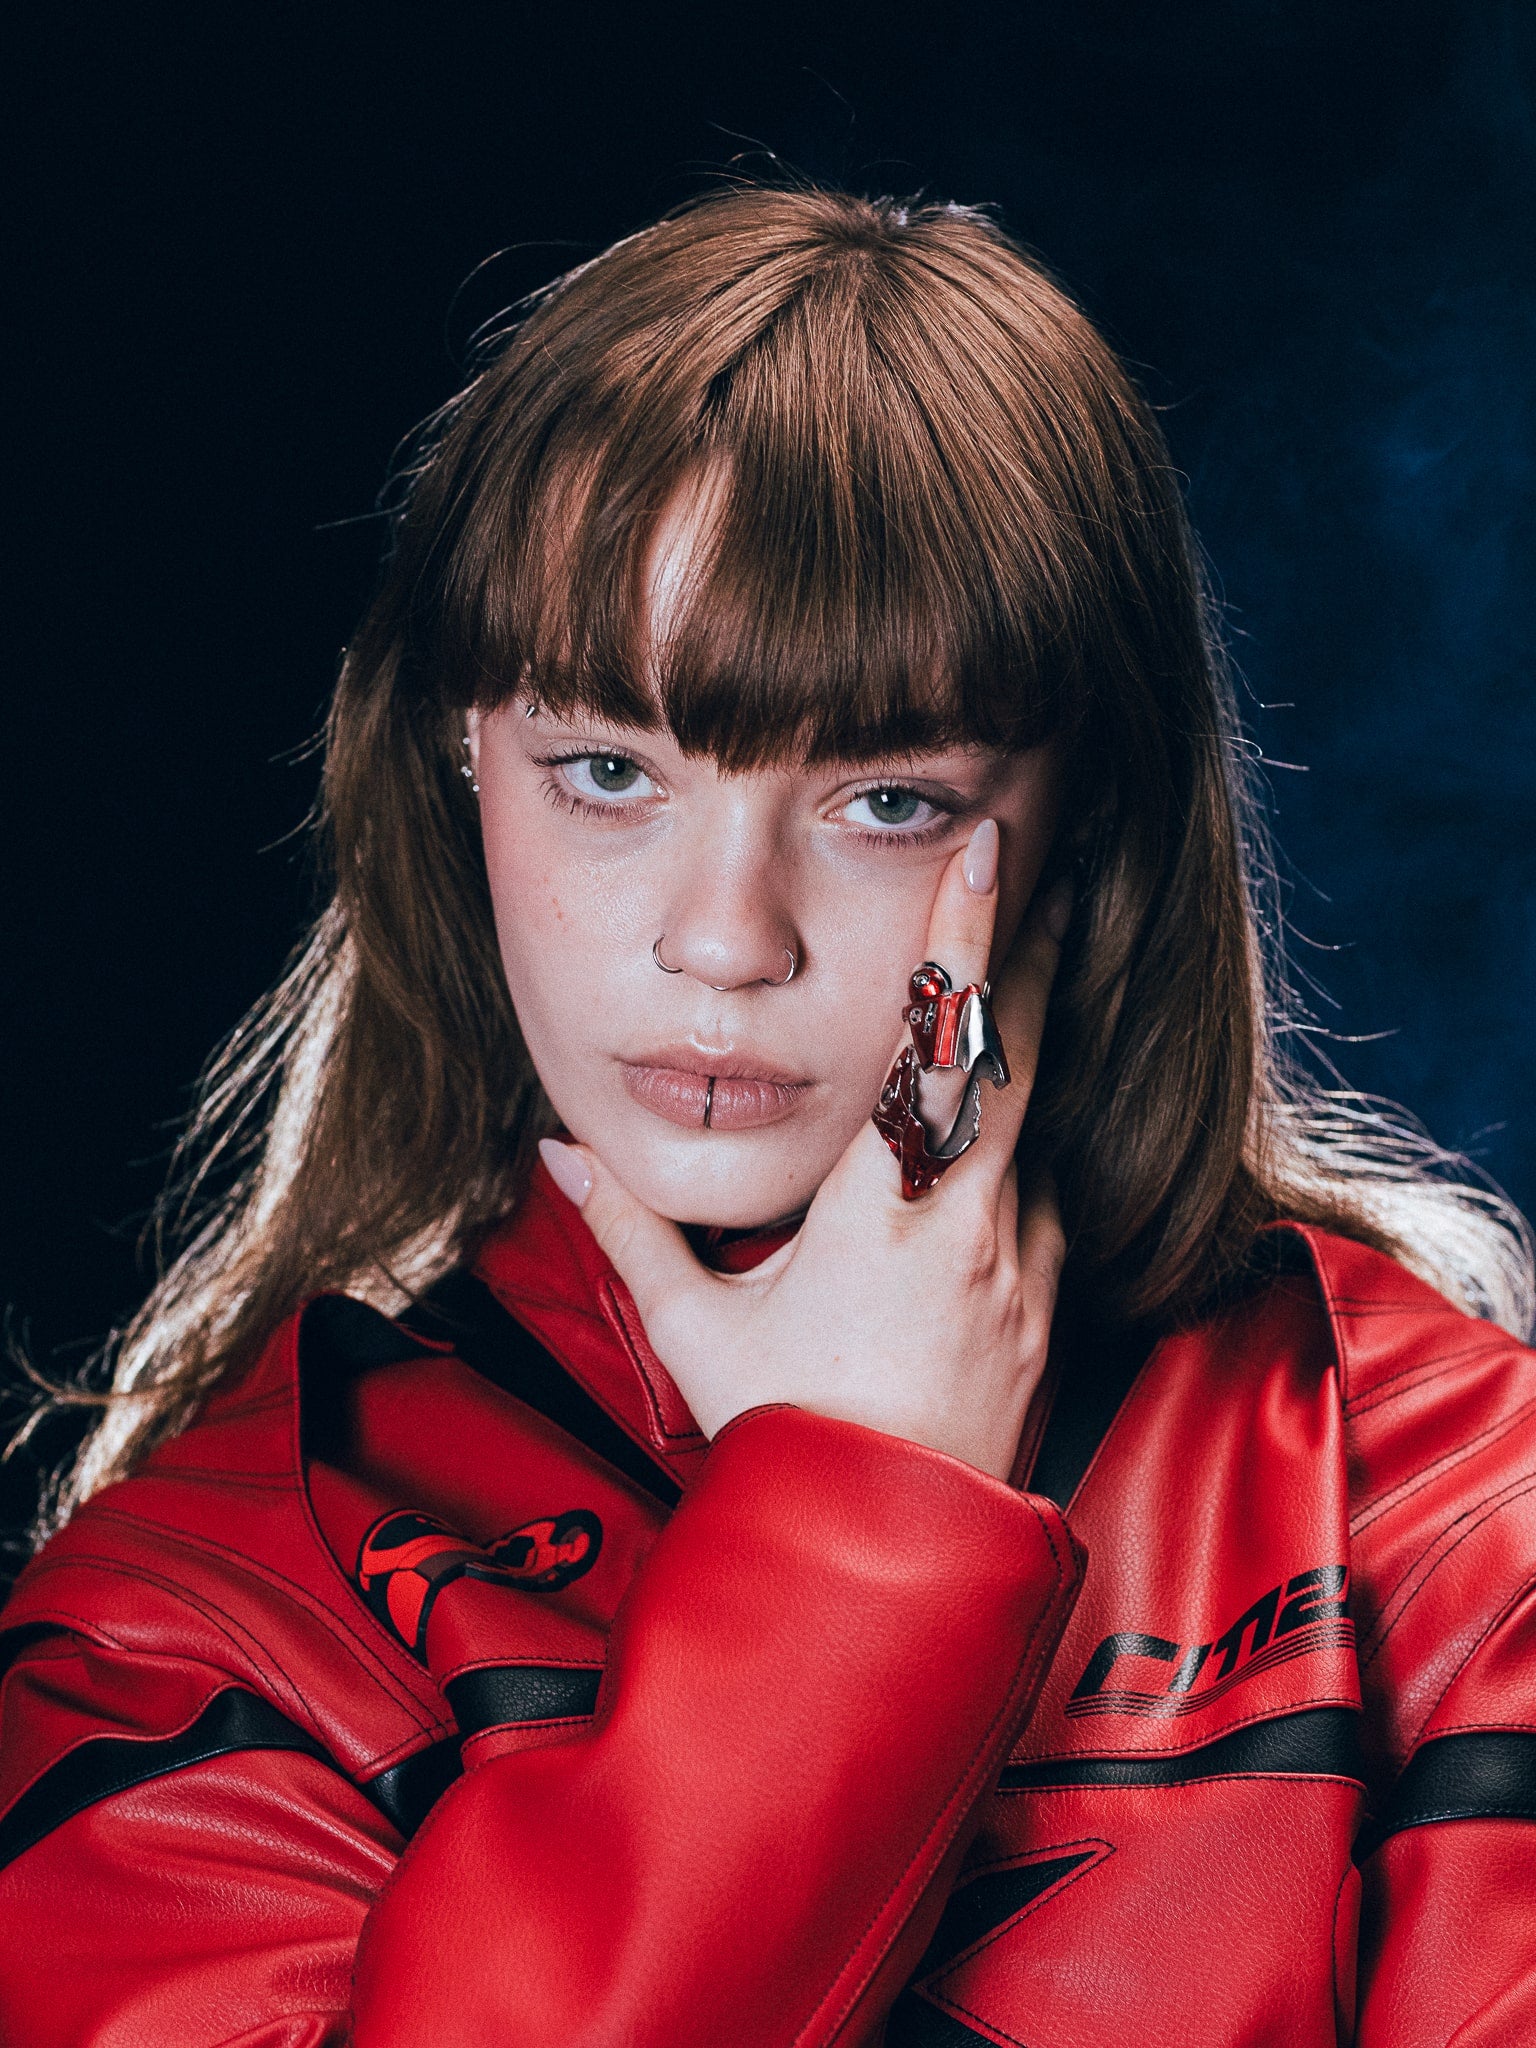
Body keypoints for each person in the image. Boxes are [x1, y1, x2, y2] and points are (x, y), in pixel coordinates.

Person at [1, 184, 1532, 2047]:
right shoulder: (189, 1624)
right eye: (604, 771)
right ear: (453, 765)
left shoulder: (1452, 1508)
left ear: (1087, 827)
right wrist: (857, 1531)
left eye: (887, 800)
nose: (725, 940)